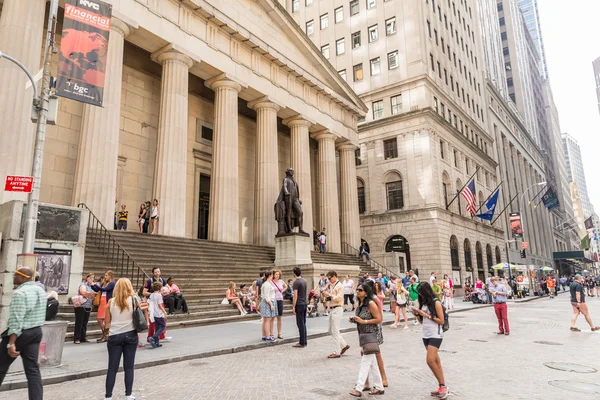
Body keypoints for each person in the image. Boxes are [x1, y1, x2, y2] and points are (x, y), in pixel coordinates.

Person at [0, 266, 46, 400]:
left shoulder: (20, 293)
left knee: (1, 365)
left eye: (15, 275)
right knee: (32, 370)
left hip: (21, 333)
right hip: (36, 331)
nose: (13, 277)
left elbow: (16, 319)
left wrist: (11, 343)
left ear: (23, 277)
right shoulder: (40, 290)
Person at [104, 278, 147, 400]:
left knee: (112, 368)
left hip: (114, 335)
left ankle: (108, 396)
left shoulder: (110, 302)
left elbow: (107, 323)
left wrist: (107, 333)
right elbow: (139, 314)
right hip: (130, 334)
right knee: (129, 366)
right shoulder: (134, 300)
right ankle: (128, 394)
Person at [412, 282, 449, 399]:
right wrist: (417, 314)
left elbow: (441, 321)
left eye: (421, 293)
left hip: (436, 334)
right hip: (426, 334)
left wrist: (426, 315)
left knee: (430, 360)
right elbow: (422, 321)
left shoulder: (436, 302)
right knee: (436, 361)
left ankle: (443, 386)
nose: (420, 295)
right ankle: (441, 386)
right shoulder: (423, 303)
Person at [348, 283, 384, 397]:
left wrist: (364, 322)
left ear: (366, 292)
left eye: (361, 290)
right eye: (357, 290)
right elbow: (361, 319)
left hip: (370, 335)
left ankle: (359, 388)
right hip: (363, 335)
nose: (358, 292)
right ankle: (379, 387)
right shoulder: (360, 304)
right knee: (372, 363)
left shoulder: (371, 303)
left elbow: (379, 319)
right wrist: (355, 320)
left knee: (365, 362)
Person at [321, 270, 349, 359]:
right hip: (333, 308)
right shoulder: (332, 286)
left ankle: (337, 351)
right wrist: (325, 296)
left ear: (334, 277)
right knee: (330, 330)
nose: (329, 280)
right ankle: (344, 345)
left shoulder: (340, 286)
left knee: (335, 331)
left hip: (337, 308)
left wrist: (329, 294)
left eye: (329, 278)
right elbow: (332, 298)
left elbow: (339, 298)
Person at [93, 270, 116, 343]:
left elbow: (104, 289)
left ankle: (105, 335)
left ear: (110, 276)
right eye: (105, 275)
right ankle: (105, 334)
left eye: (106, 275)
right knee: (99, 319)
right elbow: (97, 289)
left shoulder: (112, 283)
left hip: (107, 301)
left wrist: (95, 284)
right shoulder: (104, 283)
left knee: (106, 320)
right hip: (101, 301)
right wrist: (92, 285)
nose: (105, 277)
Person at [73, 273, 97, 344]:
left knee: (84, 323)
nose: (91, 279)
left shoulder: (92, 286)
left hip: (88, 306)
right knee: (79, 322)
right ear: (87, 278)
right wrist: (91, 294)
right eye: (90, 277)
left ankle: (83, 337)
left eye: (93, 278)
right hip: (81, 306)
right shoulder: (83, 285)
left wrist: (91, 293)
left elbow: (96, 292)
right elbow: (83, 292)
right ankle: (77, 338)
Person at [292, 267, 308, 348]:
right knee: (304, 323)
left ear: (294, 273)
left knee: (300, 323)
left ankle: (301, 342)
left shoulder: (296, 283)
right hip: (305, 303)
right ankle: (304, 341)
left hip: (299, 304)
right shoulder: (304, 281)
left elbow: (295, 296)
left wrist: (293, 306)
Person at [260, 270, 278, 342]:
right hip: (268, 302)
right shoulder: (267, 284)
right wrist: (271, 304)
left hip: (266, 301)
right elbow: (267, 296)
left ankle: (265, 335)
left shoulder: (266, 284)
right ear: (270, 276)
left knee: (265, 320)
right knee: (267, 320)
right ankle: (268, 336)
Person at [148, 282, 167, 349]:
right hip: (159, 313)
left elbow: (149, 303)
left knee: (157, 327)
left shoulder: (152, 295)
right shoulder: (159, 295)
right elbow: (160, 305)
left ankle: (157, 342)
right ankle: (153, 338)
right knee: (162, 326)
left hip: (153, 313)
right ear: (160, 288)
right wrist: (164, 311)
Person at [272, 270, 287, 339]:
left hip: (280, 300)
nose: (277, 275)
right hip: (273, 300)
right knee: (272, 317)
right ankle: (271, 333)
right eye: (276, 274)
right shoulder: (271, 282)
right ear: (273, 275)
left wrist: (282, 291)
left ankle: (279, 333)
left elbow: (286, 286)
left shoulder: (281, 281)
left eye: (278, 274)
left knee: (279, 317)